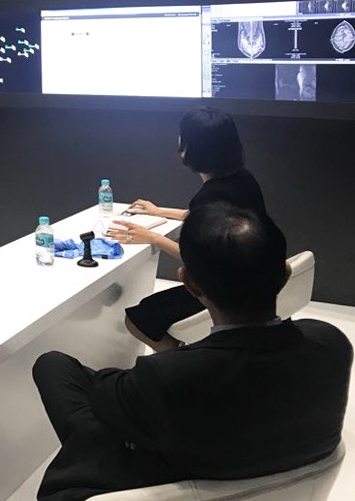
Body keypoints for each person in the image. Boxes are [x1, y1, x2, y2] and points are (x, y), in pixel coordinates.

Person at [33, 203, 352, 501]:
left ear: (189, 284)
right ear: (285, 275)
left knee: (54, 367)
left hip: (175, 476)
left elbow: (105, 398)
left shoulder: (167, 376)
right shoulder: (331, 343)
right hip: (266, 469)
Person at [106, 107, 268, 352]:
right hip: (253, 283)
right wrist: (158, 211)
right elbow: (212, 218)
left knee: (137, 320)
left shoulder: (211, 195)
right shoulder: (243, 179)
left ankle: (182, 359)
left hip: (225, 293)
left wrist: (153, 238)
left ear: (189, 147)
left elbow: (200, 259)